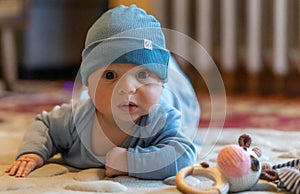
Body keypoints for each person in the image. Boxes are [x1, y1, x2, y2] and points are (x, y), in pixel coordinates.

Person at [6, 5, 200, 180]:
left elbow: (183, 155)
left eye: (141, 73)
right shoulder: (76, 119)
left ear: (160, 81)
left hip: (174, 91)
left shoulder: (161, 119)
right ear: (88, 84)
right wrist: (33, 152)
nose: (127, 88)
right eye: (110, 74)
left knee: (177, 95)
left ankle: (166, 71)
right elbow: (45, 126)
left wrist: (130, 162)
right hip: (97, 95)